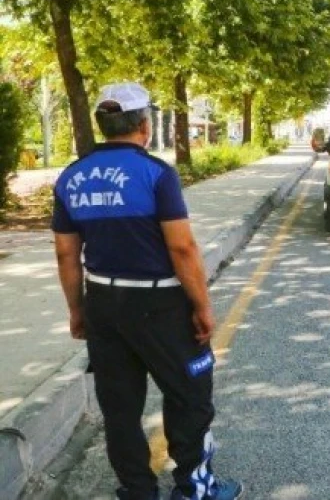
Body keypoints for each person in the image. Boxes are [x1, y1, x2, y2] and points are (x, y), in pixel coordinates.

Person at [51, 83, 242, 500]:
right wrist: (202, 305)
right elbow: (182, 247)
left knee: (119, 407)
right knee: (189, 394)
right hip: (160, 305)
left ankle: (137, 492)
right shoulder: (156, 174)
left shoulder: (71, 177)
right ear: (144, 125)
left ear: (103, 125)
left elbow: (67, 255)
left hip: (103, 303)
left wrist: (77, 310)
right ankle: (195, 488)